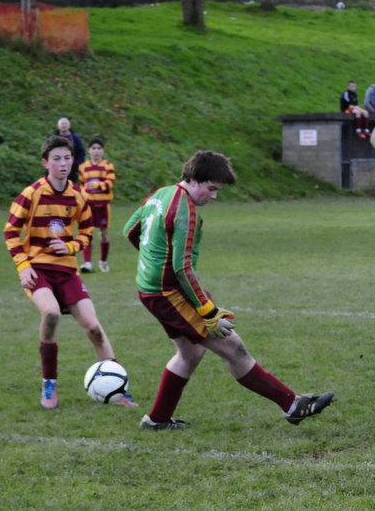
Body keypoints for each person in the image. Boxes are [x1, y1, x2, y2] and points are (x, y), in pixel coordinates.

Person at [123, 150, 335, 430]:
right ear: (193, 179)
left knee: (190, 353)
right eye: (211, 188)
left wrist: (152, 261)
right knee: (232, 346)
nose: (214, 196)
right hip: (168, 293)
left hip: (155, 289)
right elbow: (182, 268)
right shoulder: (184, 211)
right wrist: (208, 311)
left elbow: (130, 230)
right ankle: (293, 405)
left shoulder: (160, 194)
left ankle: (157, 420)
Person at [4, 135, 137, 409]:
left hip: (66, 271)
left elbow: (87, 231)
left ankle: (119, 389)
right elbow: (11, 231)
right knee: (51, 313)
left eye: (67, 158)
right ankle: (49, 383)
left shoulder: (78, 195)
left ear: (73, 161)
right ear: (45, 163)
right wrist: (23, 266)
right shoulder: (31, 194)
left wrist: (71, 246)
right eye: (56, 159)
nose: (62, 164)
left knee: (94, 327)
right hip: (37, 269)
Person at [78, 137, 115, 273]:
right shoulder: (83, 167)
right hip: (89, 205)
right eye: (93, 148)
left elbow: (110, 183)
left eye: (99, 148)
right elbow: (82, 184)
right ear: (89, 150)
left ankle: (103, 262)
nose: (96, 151)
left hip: (103, 205)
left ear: (103, 151)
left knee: (103, 234)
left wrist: (98, 185)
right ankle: (87, 263)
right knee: (87, 232)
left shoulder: (108, 166)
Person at [55, 117, 86, 184]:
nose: (64, 125)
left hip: (72, 167)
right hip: (57, 166)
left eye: (65, 124)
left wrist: (78, 164)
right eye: (62, 124)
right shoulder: (54, 138)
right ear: (58, 126)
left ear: (69, 126)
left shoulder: (75, 138)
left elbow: (81, 151)